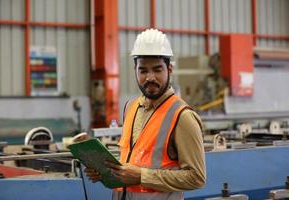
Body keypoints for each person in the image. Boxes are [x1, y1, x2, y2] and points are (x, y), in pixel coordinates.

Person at [85, 28, 206, 200]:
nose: (150, 77)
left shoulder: (182, 116)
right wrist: (105, 172)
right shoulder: (130, 108)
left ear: (169, 69)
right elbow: (132, 163)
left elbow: (196, 178)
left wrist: (142, 176)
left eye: (157, 70)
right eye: (143, 71)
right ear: (135, 70)